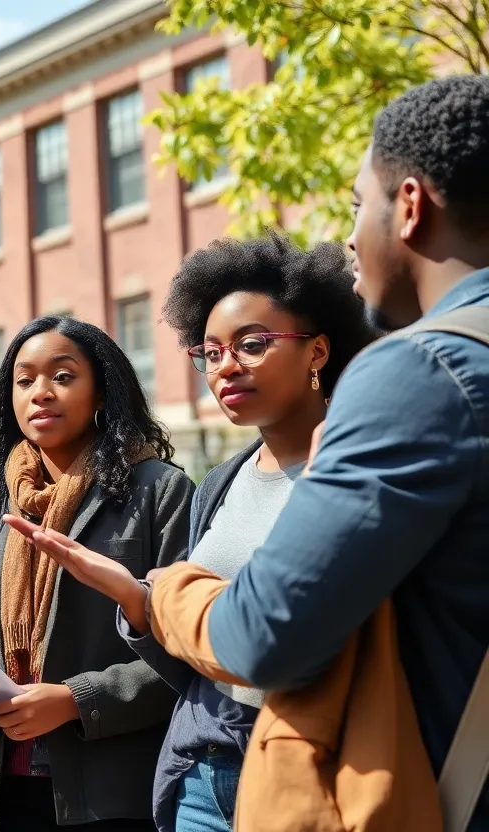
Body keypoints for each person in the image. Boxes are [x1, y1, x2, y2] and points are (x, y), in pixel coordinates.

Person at [150, 74, 489, 829]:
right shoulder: (226, 480)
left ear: (409, 206)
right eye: (209, 352)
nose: (347, 237)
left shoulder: (418, 371)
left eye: (354, 205)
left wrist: (165, 593)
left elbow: (265, 635)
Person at [6, 240, 377, 831]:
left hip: (310, 768)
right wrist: (136, 601)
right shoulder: (220, 485)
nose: (227, 366)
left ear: (319, 350)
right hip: (200, 776)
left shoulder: (362, 471)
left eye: (252, 345)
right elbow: (193, 663)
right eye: (211, 353)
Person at [0, 315, 192, 832]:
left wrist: (77, 702)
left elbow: (187, 648)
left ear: (102, 391)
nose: (41, 392)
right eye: (24, 379)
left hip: (109, 792)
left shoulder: (158, 491)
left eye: (62, 376)